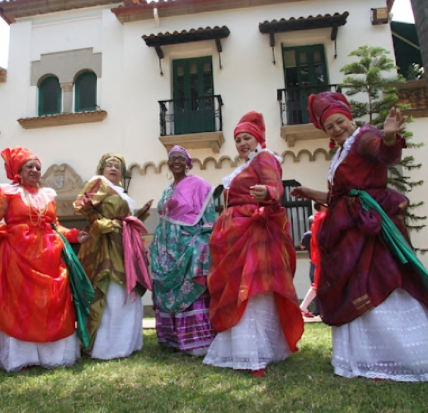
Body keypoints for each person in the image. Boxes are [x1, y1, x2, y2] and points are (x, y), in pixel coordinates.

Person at [291, 91, 428, 382]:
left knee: (381, 279)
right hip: (347, 226)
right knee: (353, 284)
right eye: (329, 126)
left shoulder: (365, 137)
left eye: (339, 122)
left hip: (370, 226)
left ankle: (405, 357)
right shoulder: (340, 153)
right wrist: (308, 192)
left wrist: (389, 137)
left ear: (350, 118)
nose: (336, 129)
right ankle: (362, 358)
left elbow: (383, 153)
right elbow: (337, 197)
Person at [203, 112, 304, 378]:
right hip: (233, 233)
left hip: (254, 231)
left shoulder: (265, 158)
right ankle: (242, 348)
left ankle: (254, 353)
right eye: (238, 140)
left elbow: (276, 188)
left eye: (247, 138)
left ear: (258, 139)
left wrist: (267, 193)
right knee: (236, 285)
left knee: (251, 287)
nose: (242, 143)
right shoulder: (244, 167)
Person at [0, 147, 81, 372]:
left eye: (38, 167)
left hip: (49, 257)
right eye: (30, 166)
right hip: (16, 258)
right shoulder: (7, 192)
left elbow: (55, 226)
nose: (35, 170)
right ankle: (22, 358)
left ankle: (52, 356)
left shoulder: (48, 195)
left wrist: (76, 235)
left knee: (51, 303)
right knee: (20, 305)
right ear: (18, 171)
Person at [74, 153, 153, 359]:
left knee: (129, 289)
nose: (113, 168)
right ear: (102, 169)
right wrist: (107, 225)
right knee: (113, 291)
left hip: (126, 243)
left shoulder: (122, 192)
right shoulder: (98, 183)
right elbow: (84, 208)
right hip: (106, 245)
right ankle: (107, 346)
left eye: (117, 166)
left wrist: (141, 214)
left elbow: (124, 219)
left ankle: (128, 343)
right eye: (109, 165)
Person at [149, 145, 216, 356]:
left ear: (188, 163)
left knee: (190, 285)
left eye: (181, 158)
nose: (176, 161)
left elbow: (209, 216)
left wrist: (202, 241)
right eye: (173, 158)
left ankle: (196, 341)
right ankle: (172, 340)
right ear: (168, 163)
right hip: (165, 247)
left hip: (188, 246)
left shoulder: (198, 185)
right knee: (167, 288)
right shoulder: (167, 190)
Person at [298, 203, 327, 318]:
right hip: (322, 259)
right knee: (318, 284)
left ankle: (304, 307)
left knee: (317, 284)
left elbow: (302, 246)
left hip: (316, 260)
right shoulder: (322, 219)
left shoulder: (316, 222)